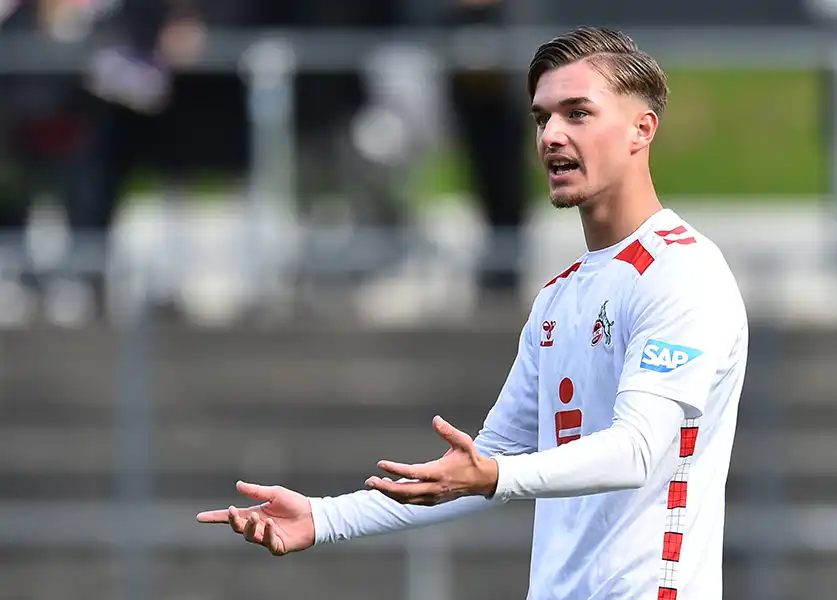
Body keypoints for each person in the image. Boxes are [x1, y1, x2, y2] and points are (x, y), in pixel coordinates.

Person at [197, 26, 749, 600]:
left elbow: (637, 449)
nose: (552, 136)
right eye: (542, 118)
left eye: (577, 113)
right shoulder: (560, 297)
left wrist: (496, 477)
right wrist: (324, 517)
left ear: (642, 129)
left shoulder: (683, 273)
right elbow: (472, 470)